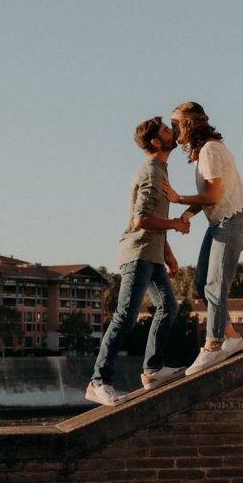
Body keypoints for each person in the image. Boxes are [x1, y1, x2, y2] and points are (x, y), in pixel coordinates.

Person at [86, 116, 191, 406]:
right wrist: (176, 224)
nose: (175, 132)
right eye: (169, 130)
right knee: (125, 316)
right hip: (137, 254)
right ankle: (98, 381)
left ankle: (153, 370)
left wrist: (168, 255)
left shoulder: (161, 171)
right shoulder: (151, 172)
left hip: (152, 255)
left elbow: (150, 219)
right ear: (157, 141)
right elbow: (141, 219)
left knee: (168, 307)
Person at [162, 102, 243, 376]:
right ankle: (231, 336)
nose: (173, 129)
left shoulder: (211, 150)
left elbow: (213, 197)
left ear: (189, 124)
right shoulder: (204, 151)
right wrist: (188, 213)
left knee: (215, 284)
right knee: (203, 283)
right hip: (219, 222)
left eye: (176, 124)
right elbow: (210, 197)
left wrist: (178, 198)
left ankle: (213, 345)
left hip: (232, 222)